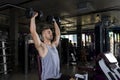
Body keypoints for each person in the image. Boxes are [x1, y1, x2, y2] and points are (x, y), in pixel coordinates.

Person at [30, 12, 74, 80]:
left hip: (58, 76)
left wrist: (54, 22)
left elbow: (58, 34)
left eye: (51, 32)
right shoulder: (42, 47)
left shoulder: (53, 45)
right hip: (48, 78)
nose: (51, 33)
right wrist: (33, 17)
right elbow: (33, 32)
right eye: (49, 32)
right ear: (43, 35)